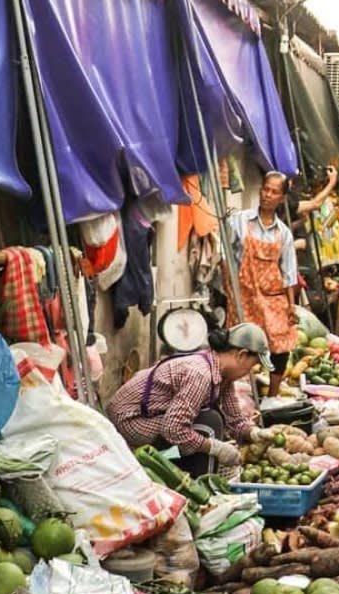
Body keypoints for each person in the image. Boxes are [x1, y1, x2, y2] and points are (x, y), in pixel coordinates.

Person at [108, 322, 270, 474]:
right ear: (241, 355)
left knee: (210, 420)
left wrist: (254, 433)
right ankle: (198, 483)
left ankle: (178, 465)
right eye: (251, 366)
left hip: (156, 416)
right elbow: (173, 429)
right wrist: (214, 448)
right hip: (131, 420)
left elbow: (234, 420)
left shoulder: (223, 375)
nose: (248, 372)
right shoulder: (200, 374)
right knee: (209, 425)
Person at [230, 171, 299, 396]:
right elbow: (225, 255)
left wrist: (291, 305)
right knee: (241, 345)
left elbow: (289, 272)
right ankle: (236, 392)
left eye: (274, 192)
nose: (268, 195)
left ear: (282, 198)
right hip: (245, 295)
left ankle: (272, 395)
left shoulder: (284, 233)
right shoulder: (239, 220)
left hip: (272, 296)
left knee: (280, 344)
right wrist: (228, 287)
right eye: (265, 189)